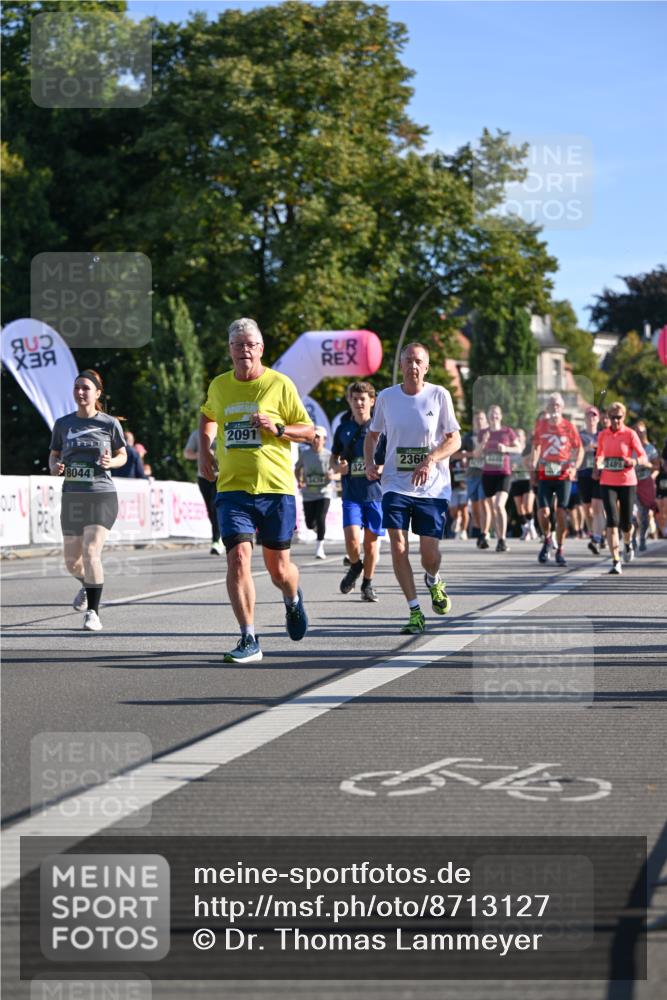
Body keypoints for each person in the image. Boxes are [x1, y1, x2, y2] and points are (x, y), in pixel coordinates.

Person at [199, 318, 314, 662]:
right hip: (233, 489)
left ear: (261, 349)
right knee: (238, 559)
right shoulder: (220, 386)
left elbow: (308, 432)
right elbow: (208, 416)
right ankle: (249, 637)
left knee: (279, 570)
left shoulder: (280, 384)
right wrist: (205, 449)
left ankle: (293, 599)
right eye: (238, 345)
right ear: (230, 350)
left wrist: (277, 427)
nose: (244, 350)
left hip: (275, 489)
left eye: (251, 344)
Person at [364, 342, 461, 634]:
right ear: (401, 365)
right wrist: (369, 461)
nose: (413, 366)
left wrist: (431, 459)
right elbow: (372, 436)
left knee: (428, 555)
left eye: (418, 361)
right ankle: (415, 610)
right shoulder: (386, 397)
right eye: (408, 361)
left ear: (426, 367)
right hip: (395, 483)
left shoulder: (439, 395)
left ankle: (433, 579)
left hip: (432, 487)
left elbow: (454, 440)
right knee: (398, 545)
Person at [48, 369, 127, 632]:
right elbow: (54, 454)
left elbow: (122, 455)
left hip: (101, 494)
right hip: (72, 496)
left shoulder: (109, 423)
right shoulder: (63, 424)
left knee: (91, 551)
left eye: (86, 388)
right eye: (77, 387)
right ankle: (86, 584)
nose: (80, 392)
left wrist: (111, 461)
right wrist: (55, 466)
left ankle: (93, 612)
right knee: (72, 562)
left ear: (97, 393)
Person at [331, 380, 386, 601]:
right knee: (352, 539)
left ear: (372, 401)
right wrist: (338, 468)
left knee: (371, 545)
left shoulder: (380, 429)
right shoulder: (343, 429)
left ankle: (367, 584)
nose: (359, 403)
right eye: (355, 399)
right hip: (352, 494)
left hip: (375, 494)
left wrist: (380, 467)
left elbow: (389, 458)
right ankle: (355, 566)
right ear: (349, 401)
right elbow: (334, 460)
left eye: (363, 399)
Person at [594, 402, 648, 574]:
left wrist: (634, 461)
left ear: (624, 417)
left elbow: (643, 455)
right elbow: (599, 454)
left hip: (627, 481)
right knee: (612, 520)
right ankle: (615, 560)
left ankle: (627, 543)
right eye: (612, 417)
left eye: (619, 417)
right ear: (608, 418)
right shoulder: (603, 435)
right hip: (607, 481)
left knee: (625, 523)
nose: (616, 421)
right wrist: (598, 464)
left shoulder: (630, 434)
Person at [531, 393, 584, 567]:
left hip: (563, 475)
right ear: (547, 408)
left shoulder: (569, 427)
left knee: (561, 513)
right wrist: (533, 464)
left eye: (558, 405)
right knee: (543, 512)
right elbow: (536, 446)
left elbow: (579, 449)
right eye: (552, 405)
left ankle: (560, 549)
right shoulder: (541, 426)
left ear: (562, 408)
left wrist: (574, 466)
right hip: (545, 474)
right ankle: (547, 539)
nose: (555, 408)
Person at [477, 404, 521, 552]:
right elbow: (476, 453)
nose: (494, 416)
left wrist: (506, 449)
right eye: (491, 414)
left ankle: (502, 540)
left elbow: (519, 448)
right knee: (489, 507)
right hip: (488, 474)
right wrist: (483, 442)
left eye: (496, 414)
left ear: (500, 416)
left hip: (504, 473)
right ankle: (486, 534)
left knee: (498, 505)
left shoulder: (507, 431)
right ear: (488, 416)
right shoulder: (483, 432)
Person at [295, 425, 337, 560]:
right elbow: (297, 468)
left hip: (324, 493)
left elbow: (340, 472)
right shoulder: (305, 454)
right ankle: (318, 531)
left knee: (320, 518)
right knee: (309, 524)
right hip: (308, 494)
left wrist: (333, 476)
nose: (316, 439)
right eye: (314, 437)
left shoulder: (329, 455)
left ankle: (320, 548)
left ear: (324, 439)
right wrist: (300, 480)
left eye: (318, 437)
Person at [184, 427, 223, 555]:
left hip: (221, 476)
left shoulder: (224, 429)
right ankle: (220, 535)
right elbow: (186, 453)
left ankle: (216, 540)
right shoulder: (197, 434)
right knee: (210, 510)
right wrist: (201, 454)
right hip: (204, 477)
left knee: (215, 506)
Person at [577, 406, 606, 555]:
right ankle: (594, 532)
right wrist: (586, 448)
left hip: (599, 475)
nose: (591, 418)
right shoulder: (579, 435)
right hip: (583, 474)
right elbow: (575, 450)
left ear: (598, 418)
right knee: (587, 509)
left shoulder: (602, 434)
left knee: (597, 506)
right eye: (588, 415)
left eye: (594, 415)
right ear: (585, 418)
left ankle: (598, 537)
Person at [634, 420, 660, 551]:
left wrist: (647, 465)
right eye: (637, 432)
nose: (639, 434)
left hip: (645, 483)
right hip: (631, 482)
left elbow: (657, 466)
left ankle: (642, 539)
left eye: (642, 432)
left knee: (644, 515)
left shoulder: (650, 449)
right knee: (632, 514)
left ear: (645, 433)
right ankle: (631, 538)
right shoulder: (630, 446)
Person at [509, 428, 537, 540]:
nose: (519, 437)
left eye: (520, 435)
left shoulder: (529, 449)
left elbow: (533, 461)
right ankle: (526, 530)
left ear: (525, 437)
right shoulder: (512, 451)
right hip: (516, 481)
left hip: (527, 480)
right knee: (520, 508)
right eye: (517, 435)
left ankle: (532, 528)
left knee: (527, 505)